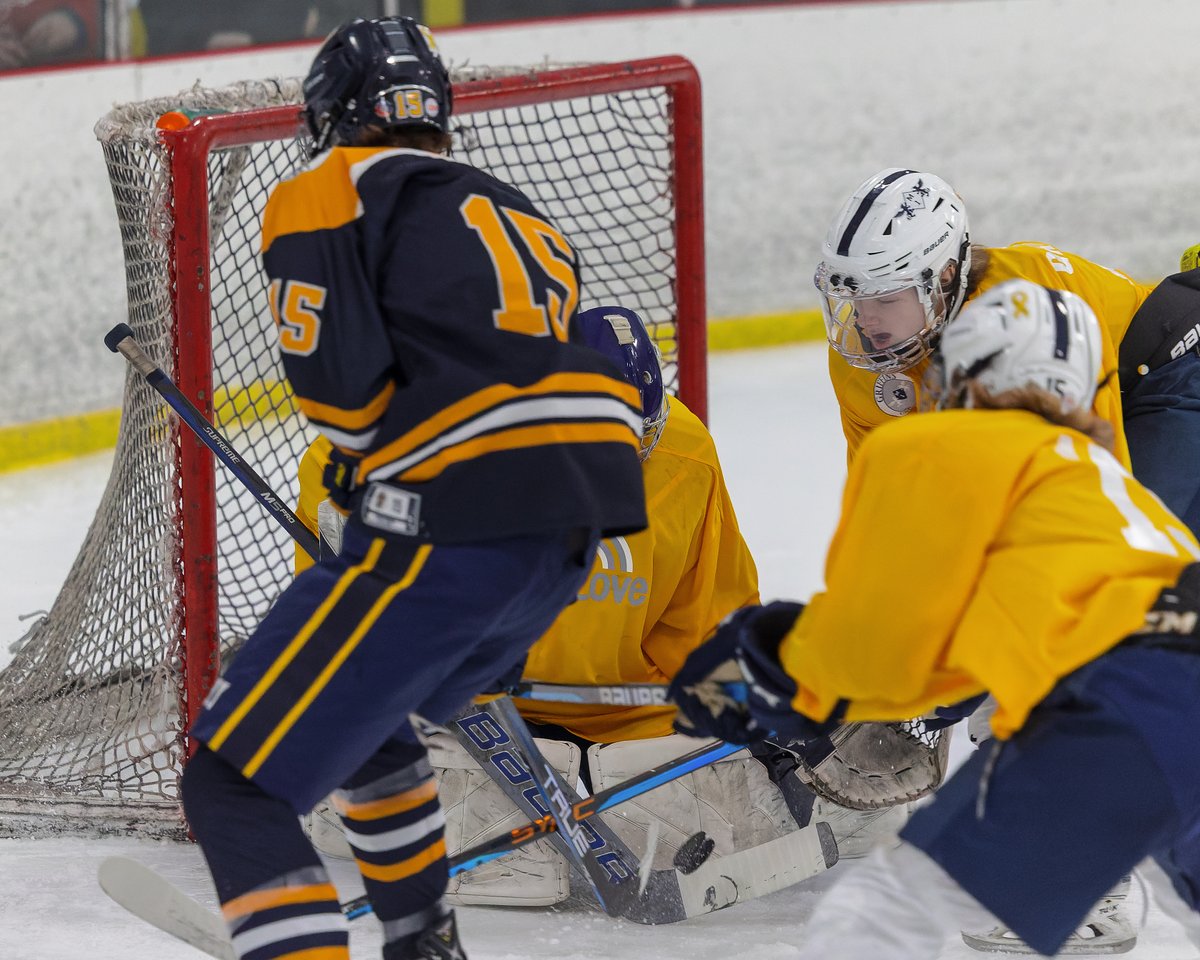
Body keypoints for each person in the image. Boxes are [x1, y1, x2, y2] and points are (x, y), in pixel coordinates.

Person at [178, 17, 647, 960]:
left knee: (230, 781)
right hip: (573, 528)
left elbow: (347, 407)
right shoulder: (523, 210)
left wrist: (365, 470)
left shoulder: (329, 187)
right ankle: (425, 947)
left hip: (454, 521)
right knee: (372, 719)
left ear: (331, 118)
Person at [298, 305, 907, 908]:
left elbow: (709, 621)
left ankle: (533, 820)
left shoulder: (684, 459)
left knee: (834, 778)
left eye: (637, 442)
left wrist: (757, 714)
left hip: (623, 730)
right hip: (472, 719)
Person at [670, 279, 1200, 960]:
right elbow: (949, 655)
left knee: (873, 921)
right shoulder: (1101, 485)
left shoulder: (944, 446)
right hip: (1166, 698)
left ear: (961, 370)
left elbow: (878, 645)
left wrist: (762, 671)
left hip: (1122, 712)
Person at [815, 167, 1200, 542]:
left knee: (1141, 539)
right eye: (853, 300)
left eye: (885, 298)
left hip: (1166, 371)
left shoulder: (1030, 307)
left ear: (944, 277)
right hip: (1100, 388)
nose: (865, 320)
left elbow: (1096, 473)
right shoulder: (859, 365)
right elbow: (887, 501)